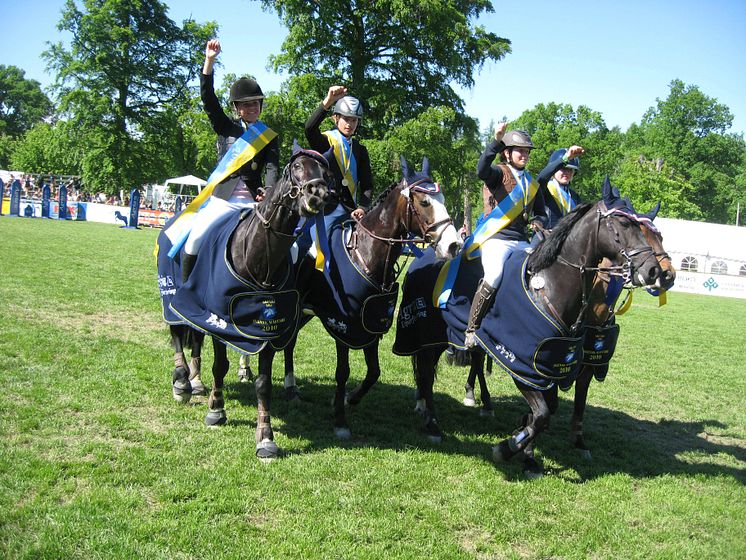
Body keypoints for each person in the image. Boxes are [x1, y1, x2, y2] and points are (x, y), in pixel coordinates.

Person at [176, 39, 280, 281]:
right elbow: (208, 99)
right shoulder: (226, 127)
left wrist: (270, 191)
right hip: (224, 199)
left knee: (289, 247)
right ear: (237, 108)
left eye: (255, 103)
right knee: (195, 238)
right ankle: (186, 290)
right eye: (246, 104)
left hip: (254, 202)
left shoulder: (269, 136)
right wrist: (209, 62)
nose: (252, 107)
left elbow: (273, 168)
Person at [464, 122, 547, 348]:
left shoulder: (532, 183)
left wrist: (539, 222)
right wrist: (496, 140)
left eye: (527, 151)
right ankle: (472, 328)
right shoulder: (498, 173)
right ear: (507, 153)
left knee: (541, 277)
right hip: (496, 239)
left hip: (522, 241)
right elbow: (481, 168)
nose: (525, 155)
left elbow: (541, 213)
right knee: (494, 275)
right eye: (520, 150)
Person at [304, 85, 373, 229]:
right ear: (336, 118)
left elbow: (367, 186)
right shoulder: (325, 141)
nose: (350, 124)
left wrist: (363, 208)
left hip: (349, 212)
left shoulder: (361, 150)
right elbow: (309, 128)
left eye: (354, 120)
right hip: (323, 209)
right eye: (346, 119)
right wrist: (328, 101)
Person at [533, 145, 585, 232]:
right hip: (546, 236)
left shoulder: (575, 196)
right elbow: (541, 178)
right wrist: (565, 158)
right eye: (563, 169)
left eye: (570, 170)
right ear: (554, 170)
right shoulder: (545, 189)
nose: (567, 173)